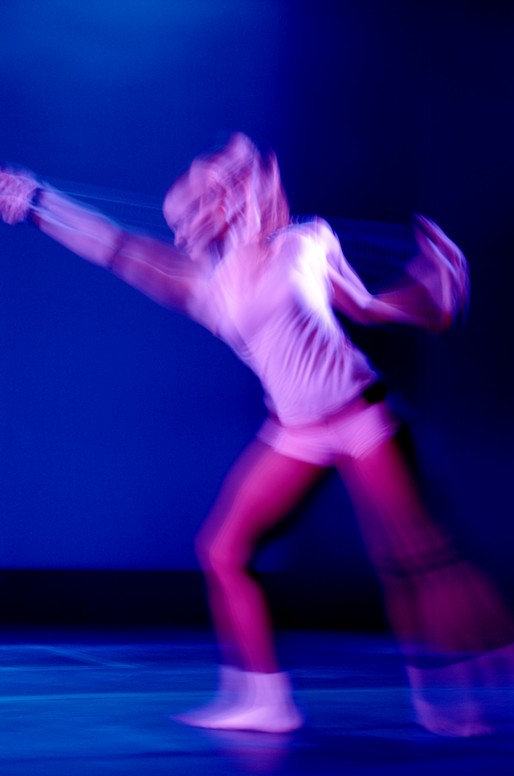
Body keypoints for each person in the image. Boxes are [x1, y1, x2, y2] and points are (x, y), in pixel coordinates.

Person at [0, 134, 512, 737]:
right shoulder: (202, 285)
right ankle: (265, 700)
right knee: (223, 551)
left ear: (230, 202)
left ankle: (468, 674)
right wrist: (36, 201)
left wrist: (436, 300)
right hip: (296, 431)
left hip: (361, 414)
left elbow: (367, 307)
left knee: (418, 557)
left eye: (196, 210)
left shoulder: (307, 240)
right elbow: (110, 243)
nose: (185, 227)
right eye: (181, 219)